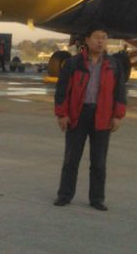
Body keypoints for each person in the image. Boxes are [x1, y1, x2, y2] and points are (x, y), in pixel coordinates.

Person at [53, 26, 127, 211]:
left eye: (104, 37)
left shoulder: (114, 65)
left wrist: (118, 116)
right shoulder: (73, 63)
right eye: (97, 38)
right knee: (71, 159)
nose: (101, 41)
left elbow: (120, 93)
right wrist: (62, 114)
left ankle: (97, 199)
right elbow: (62, 91)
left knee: (99, 162)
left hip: (102, 116)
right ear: (87, 40)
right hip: (78, 115)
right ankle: (64, 195)